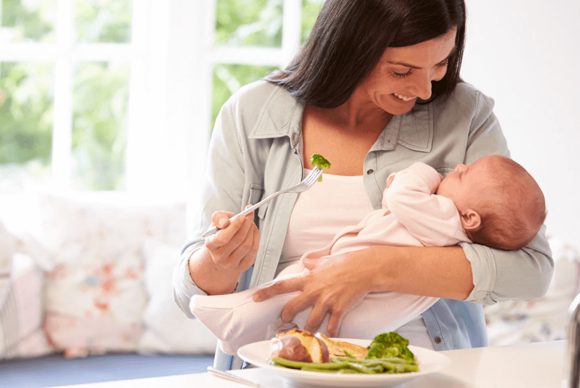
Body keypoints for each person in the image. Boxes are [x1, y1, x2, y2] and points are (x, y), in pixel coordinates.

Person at [173, 0, 553, 369]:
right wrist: (220, 261)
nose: (424, 89)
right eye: (402, 71)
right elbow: (188, 292)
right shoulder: (251, 113)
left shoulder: (465, 115)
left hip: (428, 371)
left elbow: (531, 269)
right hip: (280, 365)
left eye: (440, 63)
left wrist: (373, 267)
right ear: (348, 48)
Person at [188, 155, 547, 355]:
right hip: (376, 316)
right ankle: (247, 336)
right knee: (294, 321)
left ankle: (232, 318)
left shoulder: (445, 216)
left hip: (356, 284)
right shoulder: (459, 233)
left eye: (463, 175)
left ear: (470, 217)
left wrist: (419, 171)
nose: (454, 169)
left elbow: (403, 197)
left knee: (285, 290)